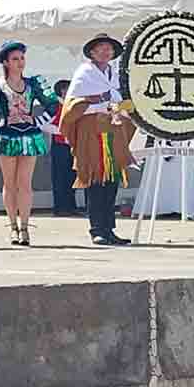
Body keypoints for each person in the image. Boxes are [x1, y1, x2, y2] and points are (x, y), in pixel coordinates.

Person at [0, 41, 59, 246]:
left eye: (22, 58)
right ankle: (13, 227)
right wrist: (0, 121)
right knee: (9, 183)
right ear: (5, 62)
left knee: (25, 184)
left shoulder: (34, 83)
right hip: (5, 136)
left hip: (29, 136)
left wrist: (37, 121)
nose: (20, 62)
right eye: (15, 59)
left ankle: (25, 227)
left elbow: (54, 105)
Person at [59, 33, 136, 246]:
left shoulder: (116, 75)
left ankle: (109, 229)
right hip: (92, 133)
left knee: (112, 180)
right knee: (95, 179)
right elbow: (72, 106)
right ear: (92, 52)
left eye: (108, 49)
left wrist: (125, 106)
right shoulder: (85, 73)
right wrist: (98, 100)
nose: (105, 51)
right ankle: (96, 229)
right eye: (100, 48)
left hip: (113, 132)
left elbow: (122, 102)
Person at [40, 79, 83, 216]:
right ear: (60, 91)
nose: (68, 91)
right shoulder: (55, 106)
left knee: (72, 176)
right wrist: (62, 130)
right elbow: (43, 124)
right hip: (60, 146)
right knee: (60, 177)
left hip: (74, 145)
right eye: (65, 89)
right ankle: (60, 208)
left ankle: (71, 207)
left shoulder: (76, 105)